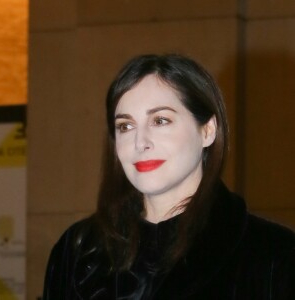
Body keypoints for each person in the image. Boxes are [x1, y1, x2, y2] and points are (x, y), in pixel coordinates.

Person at [43, 54, 295, 299]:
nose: (140, 142)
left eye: (160, 120)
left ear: (207, 131)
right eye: (125, 126)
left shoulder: (273, 255)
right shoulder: (78, 251)